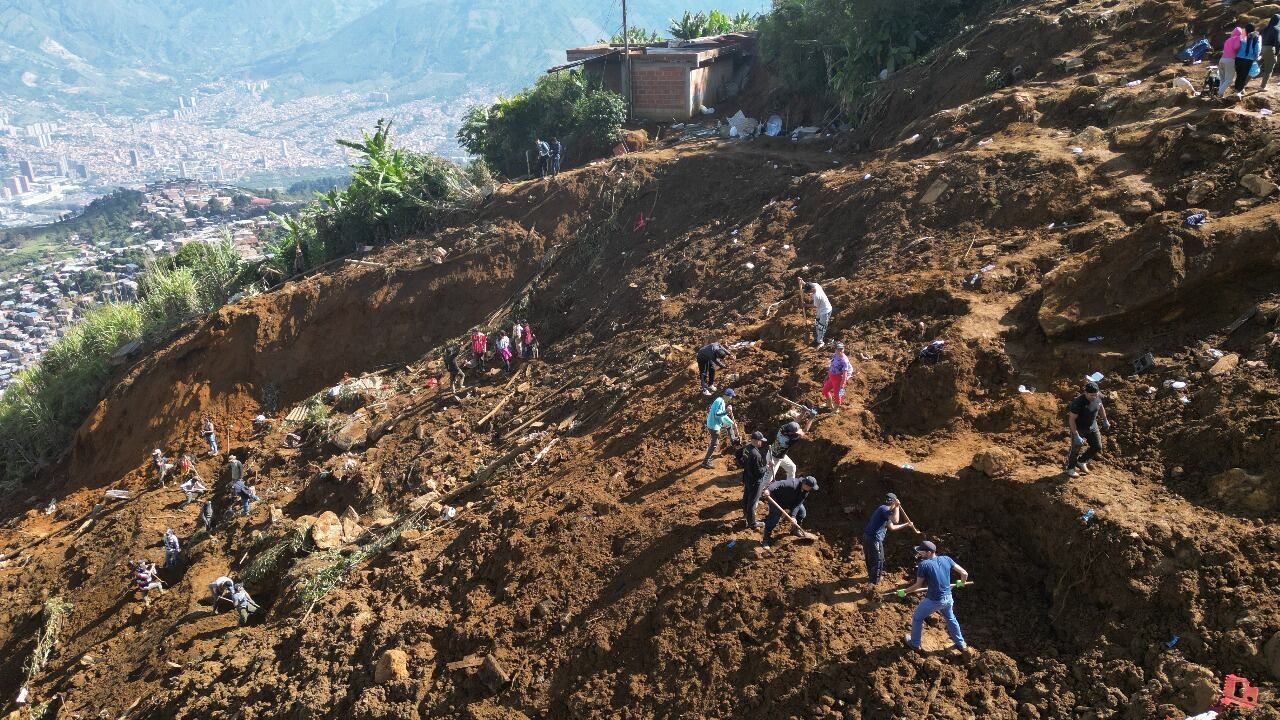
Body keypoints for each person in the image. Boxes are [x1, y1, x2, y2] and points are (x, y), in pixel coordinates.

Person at [896, 540, 969, 654]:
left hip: (934, 600)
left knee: (917, 618)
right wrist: (961, 583)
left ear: (929, 552)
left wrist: (904, 592)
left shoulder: (924, 565)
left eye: (921, 552)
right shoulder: (946, 559)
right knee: (950, 618)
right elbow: (964, 573)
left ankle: (915, 644)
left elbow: (918, 585)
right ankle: (961, 644)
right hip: (948, 598)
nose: (919, 554)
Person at [862, 493, 915, 597]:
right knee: (878, 560)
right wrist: (897, 507)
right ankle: (873, 584)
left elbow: (892, 527)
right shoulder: (885, 509)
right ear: (893, 501)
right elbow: (895, 520)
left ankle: (871, 577)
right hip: (874, 539)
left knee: (871, 558)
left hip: (868, 537)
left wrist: (907, 524)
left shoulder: (885, 511)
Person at [1066, 381, 1110, 478]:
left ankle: (1081, 461)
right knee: (1075, 449)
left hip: (1092, 426)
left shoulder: (1098, 396)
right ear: (1085, 393)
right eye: (1091, 395)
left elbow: (1101, 406)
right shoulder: (1078, 403)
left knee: (1097, 446)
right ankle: (1070, 468)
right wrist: (1076, 434)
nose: (1094, 397)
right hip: (1079, 428)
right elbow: (1071, 419)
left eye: (1096, 394)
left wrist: (1105, 420)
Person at [760, 475, 818, 548]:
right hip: (777, 500)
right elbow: (778, 483)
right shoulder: (792, 484)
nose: (811, 489)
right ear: (805, 484)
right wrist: (768, 489)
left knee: (802, 513)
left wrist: (793, 516)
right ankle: (766, 539)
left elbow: (798, 504)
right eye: (810, 487)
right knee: (774, 519)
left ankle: (795, 530)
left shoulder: (806, 491)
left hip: (790, 502)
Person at [735, 431, 768, 529]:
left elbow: (739, 456)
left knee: (746, 497)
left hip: (747, 477)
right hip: (755, 481)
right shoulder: (755, 454)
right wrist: (767, 466)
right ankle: (752, 523)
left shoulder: (747, 448)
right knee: (752, 503)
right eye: (760, 440)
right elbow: (759, 472)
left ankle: (745, 514)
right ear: (755, 440)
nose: (761, 442)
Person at [701, 388, 739, 469]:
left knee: (728, 426)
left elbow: (723, 416)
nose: (731, 398)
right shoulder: (720, 402)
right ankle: (705, 462)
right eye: (731, 396)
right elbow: (717, 415)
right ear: (728, 396)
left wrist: (732, 422)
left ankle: (734, 441)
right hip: (714, 426)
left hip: (714, 422)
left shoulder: (720, 400)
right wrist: (727, 411)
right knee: (714, 443)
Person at [821, 342, 855, 411]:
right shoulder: (834, 355)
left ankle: (836, 409)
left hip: (838, 379)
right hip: (831, 377)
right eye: (838, 349)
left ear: (843, 349)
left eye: (841, 349)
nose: (840, 351)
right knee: (825, 390)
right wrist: (827, 376)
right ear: (835, 349)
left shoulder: (844, 361)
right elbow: (831, 366)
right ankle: (829, 403)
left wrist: (842, 384)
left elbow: (845, 373)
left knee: (837, 395)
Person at [799, 278, 833, 347]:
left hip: (825, 311)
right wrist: (802, 282)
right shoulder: (816, 285)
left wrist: (805, 305)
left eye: (809, 292)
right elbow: (807, 285)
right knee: (817, 322)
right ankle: (817, 337)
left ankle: (820, 342)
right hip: (821, 309)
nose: (809, 293)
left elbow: (814, 305)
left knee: (821, 326)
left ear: (811, 289)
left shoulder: (817, 296)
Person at [1234, 23, 1263, 96]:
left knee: (1239, 75)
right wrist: (1256, 57)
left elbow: (1237, 46)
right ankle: (1238, 92)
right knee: (1244, 76)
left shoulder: (1242, 36)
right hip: (1248, 59)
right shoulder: (1256, 37)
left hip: (1238, 58)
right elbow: (1257, 48)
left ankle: (1236, 89)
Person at [1219, 26, 1243, 97]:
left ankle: (1220, 93)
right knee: (1229, 79)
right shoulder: (1237, 38)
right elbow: (1236, 47)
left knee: (1222, 79)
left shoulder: (1228, 40)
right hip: (1230, 60)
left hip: (1222, 59)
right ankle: (1219, 93)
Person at [1263, 14, 1280, 88]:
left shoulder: (1265, 28)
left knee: (1260, 68)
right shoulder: (1276, 29)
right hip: (1271, 49)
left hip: (1263, 49)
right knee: (1269, 69)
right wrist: (1277, 51)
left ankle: (1242, 86)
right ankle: (1263, 86)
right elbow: (1277, 41)